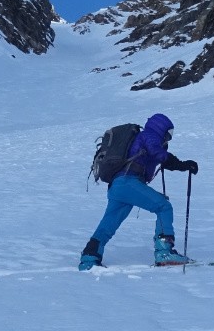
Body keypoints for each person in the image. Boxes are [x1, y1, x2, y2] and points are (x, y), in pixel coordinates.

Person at [79, 113, 199, 269]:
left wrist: (171, 161)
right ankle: (164, 252)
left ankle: (89, 257)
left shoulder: (146, 139)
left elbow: (156, 156)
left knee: (109, 223)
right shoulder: (150, 136)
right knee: (163, 206)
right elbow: (158, 153)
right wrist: (183, 164)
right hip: (128, 182)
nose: (169, 138)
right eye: (168, 134)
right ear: (160, 128)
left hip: (118, 186)